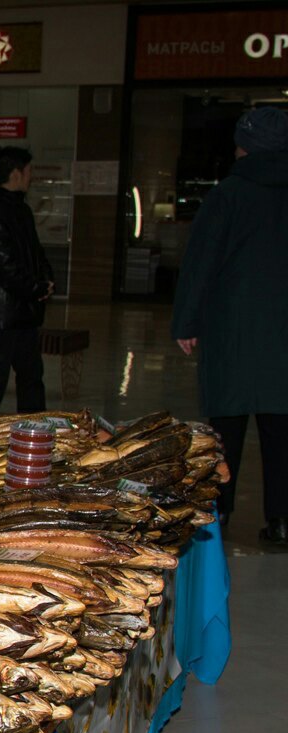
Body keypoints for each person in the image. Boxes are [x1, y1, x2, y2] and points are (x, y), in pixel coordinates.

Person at [172, 105, 288, 543]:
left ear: (244, 146)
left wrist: (187, 321)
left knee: (226, 435)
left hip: (232, 333)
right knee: (282, 436)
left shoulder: (228, 195)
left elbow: (201, 263)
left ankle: (219, 516)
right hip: (283, 338)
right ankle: (280, 521)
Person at [0, 146, 54, 414]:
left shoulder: (21, 209)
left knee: (32, 378)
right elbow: (3, 266)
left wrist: (47, 280)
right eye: (29, 171)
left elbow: (36, 252)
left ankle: (34, 434)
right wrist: (36, 288)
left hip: (23, 312)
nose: (32, 177)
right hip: (0, 316)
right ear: (16, 173)